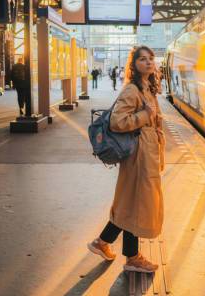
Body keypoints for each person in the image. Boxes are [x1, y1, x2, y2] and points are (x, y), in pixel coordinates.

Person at [87, 46, 166, 273]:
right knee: (137, 204)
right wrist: (145, 115)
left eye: (151, 58)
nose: (148, 62)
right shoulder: (132, 90)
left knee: (131, 202)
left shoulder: (146, 88)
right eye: (142, 59)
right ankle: (132, 258)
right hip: (139, 155)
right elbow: (117, 122)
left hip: (146, 153)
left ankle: (102, 243)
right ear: (134, 65)